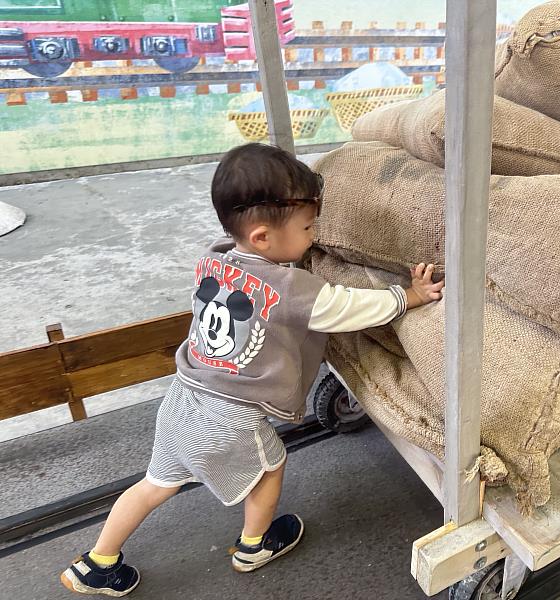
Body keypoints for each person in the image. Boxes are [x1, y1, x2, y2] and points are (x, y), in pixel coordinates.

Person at [60, 143, 444, 596]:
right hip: (232, 418)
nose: (314, 233)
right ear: (262, 237)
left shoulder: (213, 259)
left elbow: (259, 283)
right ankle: (254, 545)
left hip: (182, 400)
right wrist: (411, 296)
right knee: (271, 467)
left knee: (154, 483)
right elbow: (349, 307)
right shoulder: (292, 289)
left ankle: (96, 563)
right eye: (307, 226)